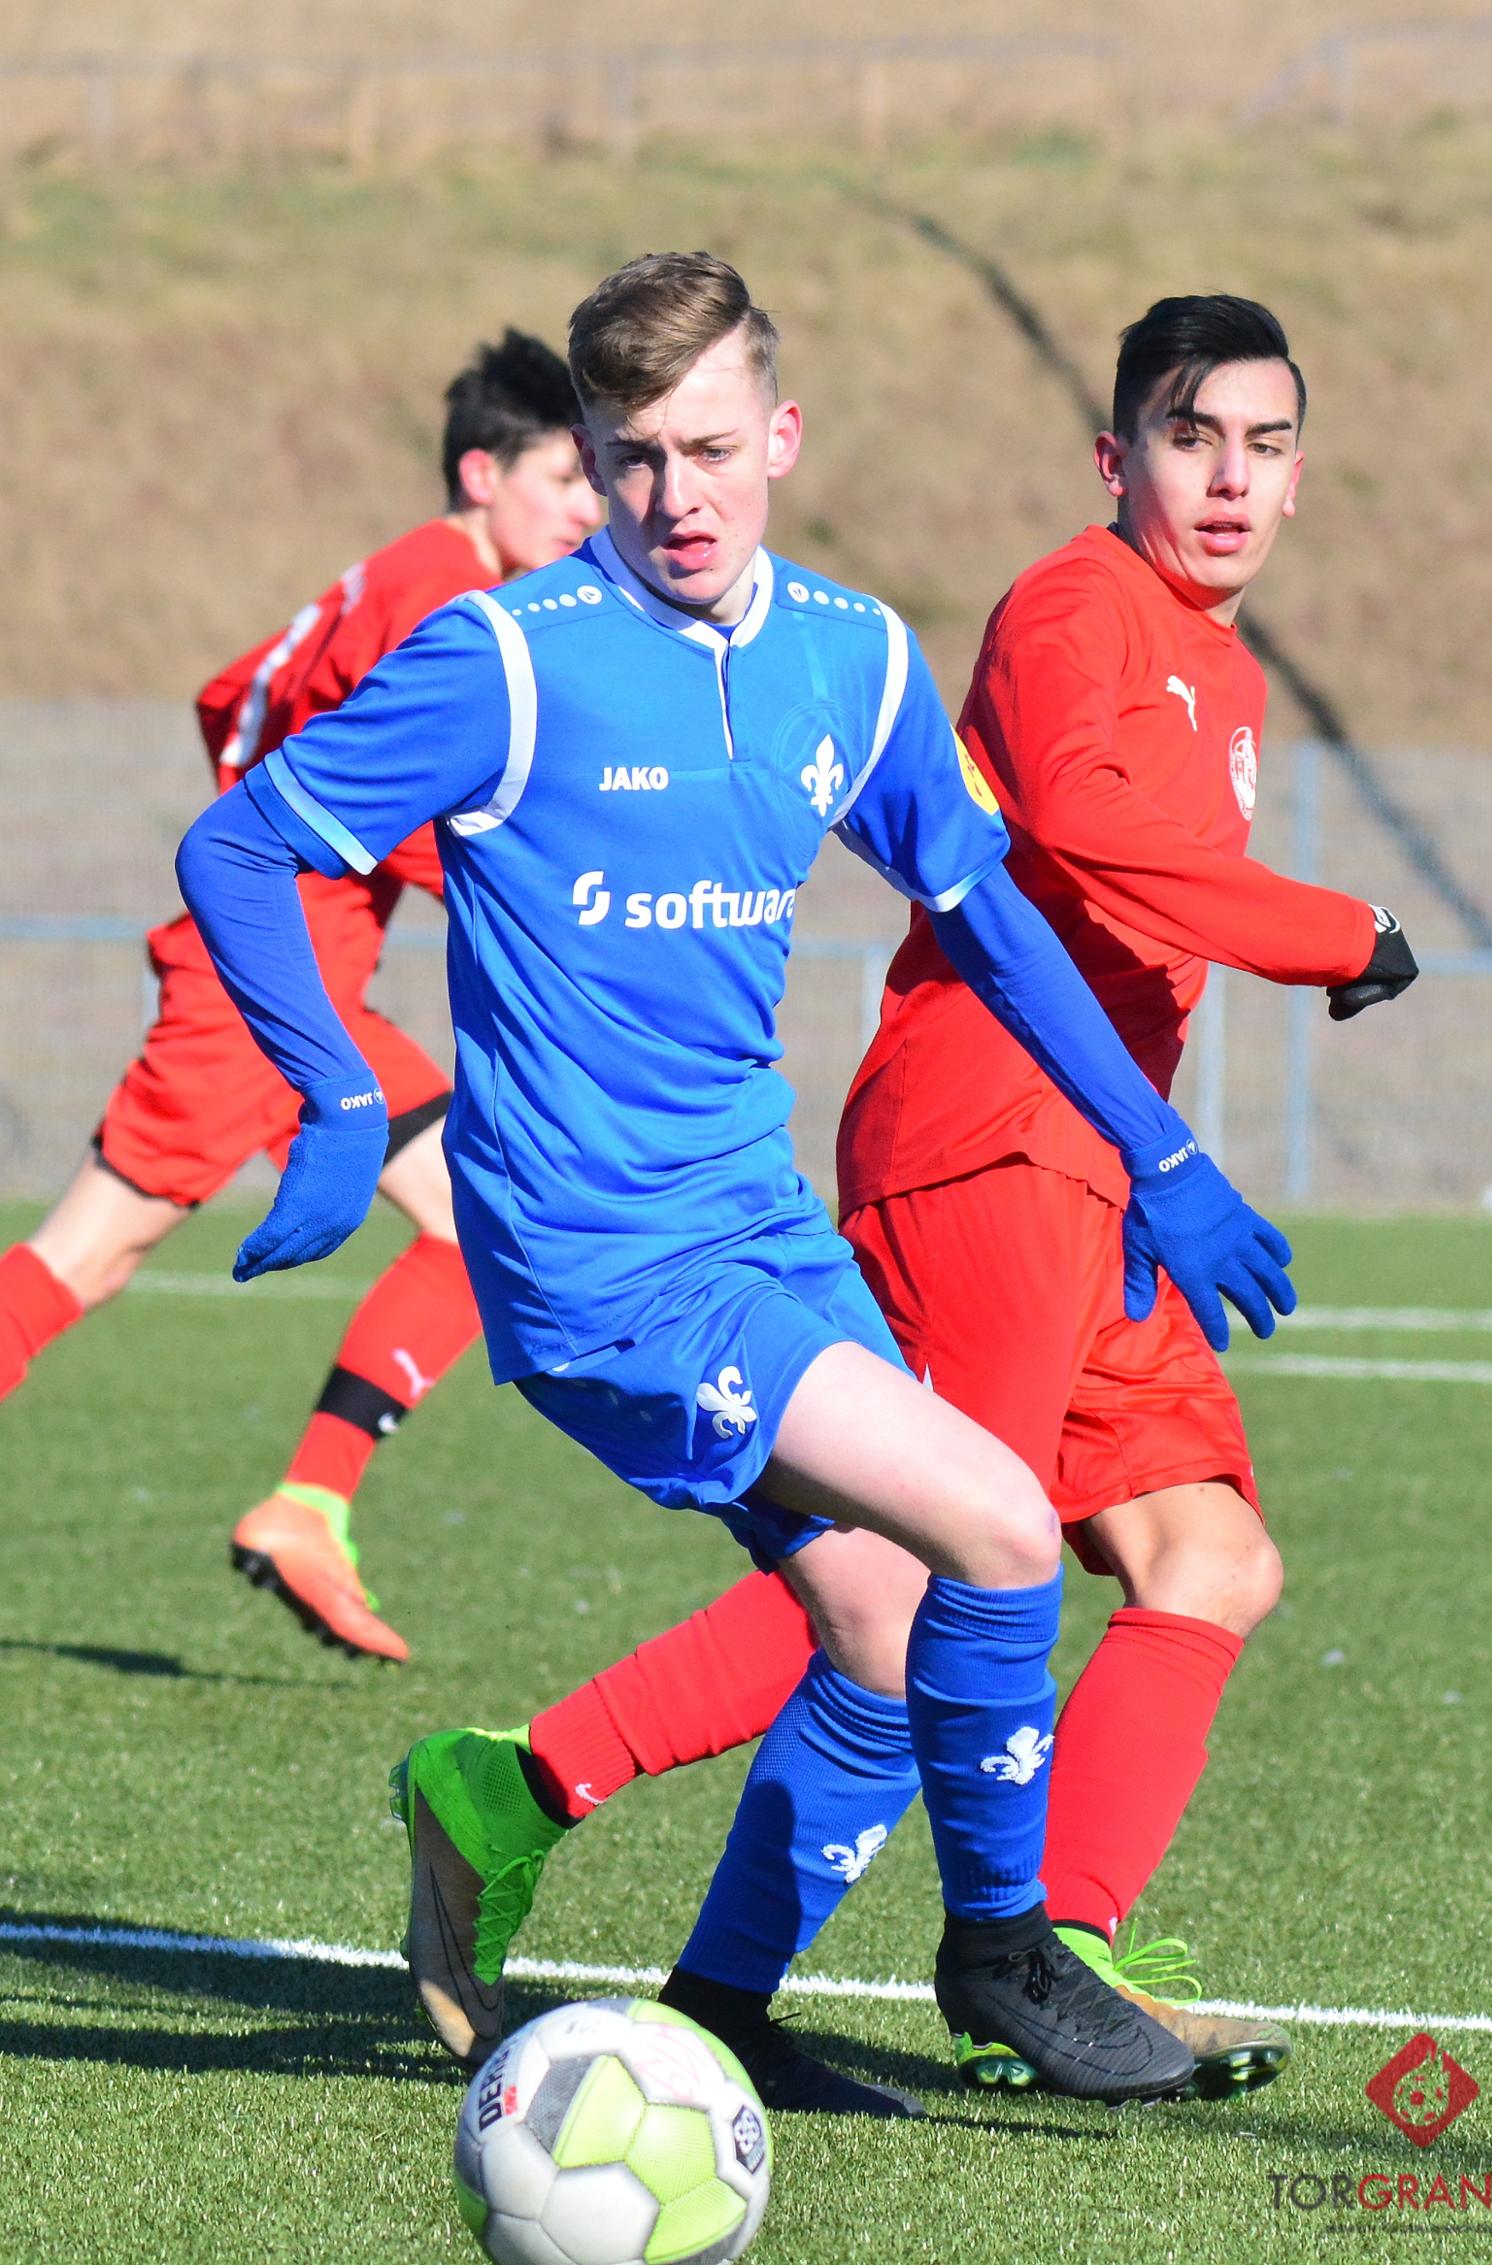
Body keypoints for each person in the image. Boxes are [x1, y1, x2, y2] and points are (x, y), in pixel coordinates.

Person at [174, 252, 1298, 2116]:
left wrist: (1160, 1151)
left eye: (708, 449)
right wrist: (335, 1097)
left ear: (781, 435)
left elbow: (987, 913)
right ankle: (1009, 1951)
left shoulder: (850, 655)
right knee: (1004, 1529)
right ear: (591, 458)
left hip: (755, 1219)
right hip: (596, 1258)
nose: (674, 497)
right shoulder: (508, 659)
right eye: (631, 458)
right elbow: (239, 845)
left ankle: (705, 2005)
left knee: (883, 1615)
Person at [0, 330, 603, 1662]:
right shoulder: (445, 592)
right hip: (261, 1002)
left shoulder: (387, 576)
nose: (589, 508)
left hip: (308, 1000)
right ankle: (309, 1501)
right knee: (80, 1259)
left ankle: (310, 1505)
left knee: (483, 1222)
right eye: (567, 478)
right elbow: (420, 815)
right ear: (483, 472)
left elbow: (232, 697)